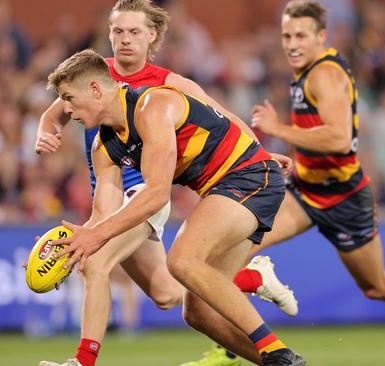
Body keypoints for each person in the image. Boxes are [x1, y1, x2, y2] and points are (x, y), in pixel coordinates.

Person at [36, 2, 297, 366]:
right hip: (209, 188)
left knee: (171, 261)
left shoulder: (157, 99)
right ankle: (259, 306)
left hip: (238, 177)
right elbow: (101, 211)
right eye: (118, 31)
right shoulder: (101, 135)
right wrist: (71, 242)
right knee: (186, 305)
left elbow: (165, 183)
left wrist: (263, 151)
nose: (67, 110)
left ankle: (277, 351)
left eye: (69, 100)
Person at [235, 2, 385, 365]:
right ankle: (236, 348)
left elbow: (340, 139)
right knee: (237, 249)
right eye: (287, 35)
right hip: (305, 191)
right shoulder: (306, 70)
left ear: (321, 37)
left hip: (344, 197)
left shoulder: (323, 75)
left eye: (301, 35)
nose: (292, 43)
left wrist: (278, 128)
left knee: (377, 286)